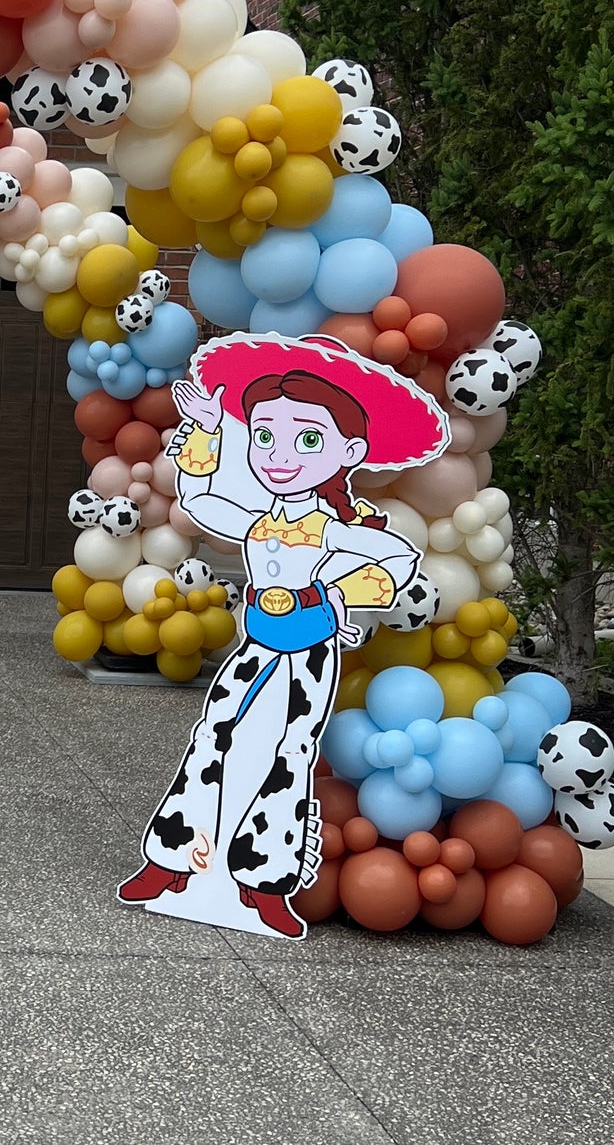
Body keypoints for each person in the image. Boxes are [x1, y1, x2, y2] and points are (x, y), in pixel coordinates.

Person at [118, 350, 431, 938]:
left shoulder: (336, 526)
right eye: (264, 437)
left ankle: (264, 883)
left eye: (307, 441)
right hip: (256, 646)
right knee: (213, 737)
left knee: (290, 757)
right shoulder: (261, 517)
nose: (279, 457)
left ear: (350, 454)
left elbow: (399, 558)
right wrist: (208, 431)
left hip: (309, 653)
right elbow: (202, 499)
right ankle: (173, 859)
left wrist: (337, 597)